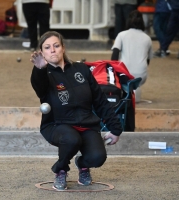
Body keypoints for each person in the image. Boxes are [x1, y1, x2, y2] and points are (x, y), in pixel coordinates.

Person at [30, 31, 123, 191]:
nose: (52, 50)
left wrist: (115, 129)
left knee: (97, 157)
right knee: (71, 139)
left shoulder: (81, 70)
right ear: (42, 52)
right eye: (47, 47)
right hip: (57, 125)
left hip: (87, 125)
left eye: (56, 46)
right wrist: (39, 70)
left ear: (63, 48)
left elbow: (100, 101)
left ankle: (82, 165)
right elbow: (39, 86)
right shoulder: (45, 75)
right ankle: (61, 170)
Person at [111, 10, 152, 103]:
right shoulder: (147, 38)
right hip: (141, 75)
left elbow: (115, 55)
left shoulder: (122, 35)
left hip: (124, 74)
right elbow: (148, 60)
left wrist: (113, 71)